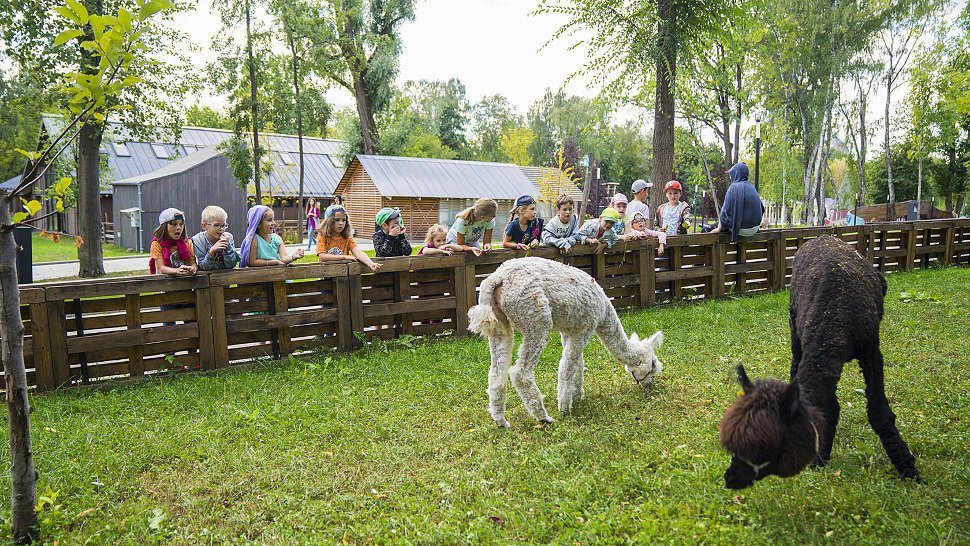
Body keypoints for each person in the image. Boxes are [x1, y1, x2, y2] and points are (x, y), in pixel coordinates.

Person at [316, 204, 382, 271]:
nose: (341, 223)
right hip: (326, 272)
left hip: (343, 271)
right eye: (337, 220)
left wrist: (371, 264)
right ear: (329, 221)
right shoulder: (322, 236)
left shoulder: (347, 237)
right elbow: (323, 256)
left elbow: (358, 252)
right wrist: (344, 257)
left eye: (344, 220)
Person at [710, 163, 765, 241]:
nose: (730, 177)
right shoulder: (752, 188)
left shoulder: (734, 188)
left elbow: (725, 212)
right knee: (716, 224)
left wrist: (718, 229)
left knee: (709, 228)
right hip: (755, 228)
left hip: (741, 229)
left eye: (731, 174)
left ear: (736, 174)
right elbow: (762, 208)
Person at [240, 205, 305, 267]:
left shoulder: (276, 238)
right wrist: (273, 262)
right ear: (258, 224)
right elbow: (252, 262)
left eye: (273, 219)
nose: (274, 223)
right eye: (269, 220)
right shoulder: (254, 239)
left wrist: (293, 256)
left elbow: (284, 258)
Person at [150, 208, 197, 276]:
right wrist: (176, 271)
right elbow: (161, 268)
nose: (178, 228)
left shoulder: (187, 242)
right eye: (174, 224)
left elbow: (193, 263)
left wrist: (192, 268)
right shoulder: (156, 243)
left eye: (181, 224)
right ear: (164, 227)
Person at [191, 205, 241, 270]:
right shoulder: (198, 240)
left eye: (223, 225)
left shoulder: (228, 237)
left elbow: (231, 265)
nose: (221, 229)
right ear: (204, 226)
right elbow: (203, 267)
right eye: (216, 225)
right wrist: (211, 252)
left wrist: (227, 247)